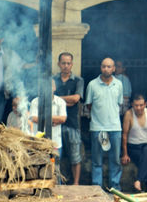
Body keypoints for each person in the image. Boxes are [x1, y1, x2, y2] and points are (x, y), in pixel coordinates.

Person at [85, 57, 124, 189]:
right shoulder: (92, 85)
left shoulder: (118, 84)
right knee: (97, 160)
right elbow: (89, 105)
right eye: (103, 66)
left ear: (114, 68)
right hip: (97, 127)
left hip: (115, 127)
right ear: (100, 68)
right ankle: (97, 188)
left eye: (109, 66)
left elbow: (119, 104)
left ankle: (115, 187)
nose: (106, 69)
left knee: (116, 160)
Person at [53, 52, 85, 184]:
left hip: (72, 123)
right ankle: (55, 182)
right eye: (63, 63)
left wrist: (57, 99)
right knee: (55, 155)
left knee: (75, 156)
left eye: (68, 63)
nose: (66, 66)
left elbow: (76, 98)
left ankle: (76, 184)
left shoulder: (78, 80)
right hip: (55, 123)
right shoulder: (53, 79)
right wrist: (68, 100)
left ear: (72, 64)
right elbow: (49, 98)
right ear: (58, 64)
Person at [121, 94, 147, 193]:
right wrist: (125, 154)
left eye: (141, 105)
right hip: (133, 147)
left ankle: (139, 180)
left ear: (145, 104)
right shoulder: (129, 114)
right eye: (136, 105)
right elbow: (124, 135)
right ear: (132, 105)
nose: (139, 108)